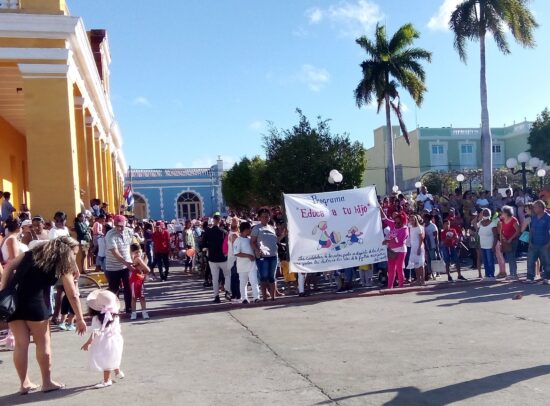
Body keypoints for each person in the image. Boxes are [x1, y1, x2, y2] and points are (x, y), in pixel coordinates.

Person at [0, 236, 86, 394]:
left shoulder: (31, 253)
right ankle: (47, 382)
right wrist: (80, 318)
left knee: (20, 344)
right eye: (74, 254)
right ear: (68, 252)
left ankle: (24, 384)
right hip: (36, 305)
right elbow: (72, 294)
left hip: (14, 303)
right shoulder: (61, 263)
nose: (74, 257)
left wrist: (4, 290)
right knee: (43, 344)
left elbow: (9, 266)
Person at [80, 289, 125, 389]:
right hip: (116, 339)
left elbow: (95, 331)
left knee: (107, 361)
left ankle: (106, 380)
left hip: (104, 342)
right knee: (114, 356)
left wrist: (88, 342)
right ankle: (118, 372)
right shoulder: (115, 316)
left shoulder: (96, 318)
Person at [104, 214, 133, 314]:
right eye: (117, 226)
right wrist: (127, 263)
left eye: (122, 226)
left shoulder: (129, 231)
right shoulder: (110, 234)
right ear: (114, 224)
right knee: (114, 290)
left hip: (126, 266)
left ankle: (129, 307)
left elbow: (132, 246)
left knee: (128, 288)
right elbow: (115, 252)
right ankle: (114, 309)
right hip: (113, 267)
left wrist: (135, 259)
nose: (120, 228)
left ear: (126, 224)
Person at [251, 208, 279, 301]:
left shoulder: (271, 228)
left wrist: (283, 234)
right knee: (264, 277)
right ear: (259, 217)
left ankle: (273, 297)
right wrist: (257, 250)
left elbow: (276, 240)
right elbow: (252, 242)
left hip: (273, 255)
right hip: (263, 257)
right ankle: (264, 297)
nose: (265, 218)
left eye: (267, 216)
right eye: (263, 216)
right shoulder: (256, 228)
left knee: (272, 277)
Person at [202, 214, 230, 303]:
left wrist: (206, 248)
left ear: (213, 221)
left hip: (212, 258)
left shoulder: (207, 231)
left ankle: (216, 296)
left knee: (215, 278)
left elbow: (203, 244)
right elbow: (228, 245)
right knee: (227, 275)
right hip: (223, 257)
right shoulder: (224, 232)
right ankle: (227, 292)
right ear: (220, 221)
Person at [380, 209, 409, 289]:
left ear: (402, 220)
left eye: (398, 219)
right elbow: (385, 219)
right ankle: (390, 287)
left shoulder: (404, 229)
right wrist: (380, 209)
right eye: (395, 218)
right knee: (391, 269)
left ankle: (401, 286)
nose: (395, 220)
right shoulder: (393, 224)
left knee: (399, 268)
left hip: (400, 250)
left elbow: (399, 242)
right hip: (391, 250)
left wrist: (387, 241)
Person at [234, 222, 260, 303]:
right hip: (242, 266)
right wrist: (248, 256)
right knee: (243, 282)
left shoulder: (250, 240)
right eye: (249, 229)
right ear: (245, 229)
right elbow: (236, 253)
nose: (250, 230)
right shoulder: (238, 240)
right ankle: (244, 298)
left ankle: (256, 297)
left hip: (252, 265)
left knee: (254, 281)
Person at [526, 200, 550, 283]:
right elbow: (532, 230)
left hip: (545, 244)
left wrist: (549, 243)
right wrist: (530, 242)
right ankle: (530, 278)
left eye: (535, 207)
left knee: (547, 262)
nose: (534, 208)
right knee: (530, 261)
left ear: (541, 207)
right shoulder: (534, 217)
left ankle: (547, 278)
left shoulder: (548, 217)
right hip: (534, 244)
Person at [498, 205, 520, 280]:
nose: (501, 213)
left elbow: (518, 231)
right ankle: (512, 274)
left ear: (507, 212)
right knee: (509, 257)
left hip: (513, 240)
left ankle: (514, 274)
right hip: (505, 241)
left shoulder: (514, 219)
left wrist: (510, 239)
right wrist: (502, 240)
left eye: (503, 212)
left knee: (512, 257)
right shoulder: (502, 220)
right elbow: (501, 231)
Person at [129, 243, 150, 320]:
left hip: (140, 278)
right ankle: (134, 313)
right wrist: (145, 262)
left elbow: (144, 269)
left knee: (142, 296)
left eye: (139, 251)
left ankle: (144, 311)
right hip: (135, 279)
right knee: (134, 297)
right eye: (136, 252)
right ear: (132, 252)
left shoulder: (140, 258)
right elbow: (147, 269)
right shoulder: (137, 258)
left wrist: (144, 261)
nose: (138, 253)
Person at [477, 208, 498, 280]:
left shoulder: (493, 224)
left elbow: (495, 236)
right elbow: (479, 235)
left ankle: (491, 275)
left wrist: (493, 246)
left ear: (490, 214)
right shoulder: (480, 223)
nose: (485, 215)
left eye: (487, 213)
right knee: (485, 262)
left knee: (490, 261)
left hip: (490, 246)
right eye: (484, 213)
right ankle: (487, 275)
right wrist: (479, 245)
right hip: (482, 246)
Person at [407, 215, 426, 286]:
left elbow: (421, 239)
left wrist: (419, 248)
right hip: (413, 247)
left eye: (413, 220)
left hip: (419, 247)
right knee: (415, 264)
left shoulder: (419, 228)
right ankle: (418, 280)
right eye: (410, 220)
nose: (411, 221)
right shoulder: (410, 226)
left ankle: (422, 280)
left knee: (421, 264)